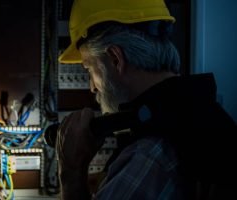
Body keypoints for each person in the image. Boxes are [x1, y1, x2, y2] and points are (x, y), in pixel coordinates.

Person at [55, 0, 237, 199]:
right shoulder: (196, 114)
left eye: (89, 69)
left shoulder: (151, 153)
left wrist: (71, 173)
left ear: (116, 58)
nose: (92, 86)